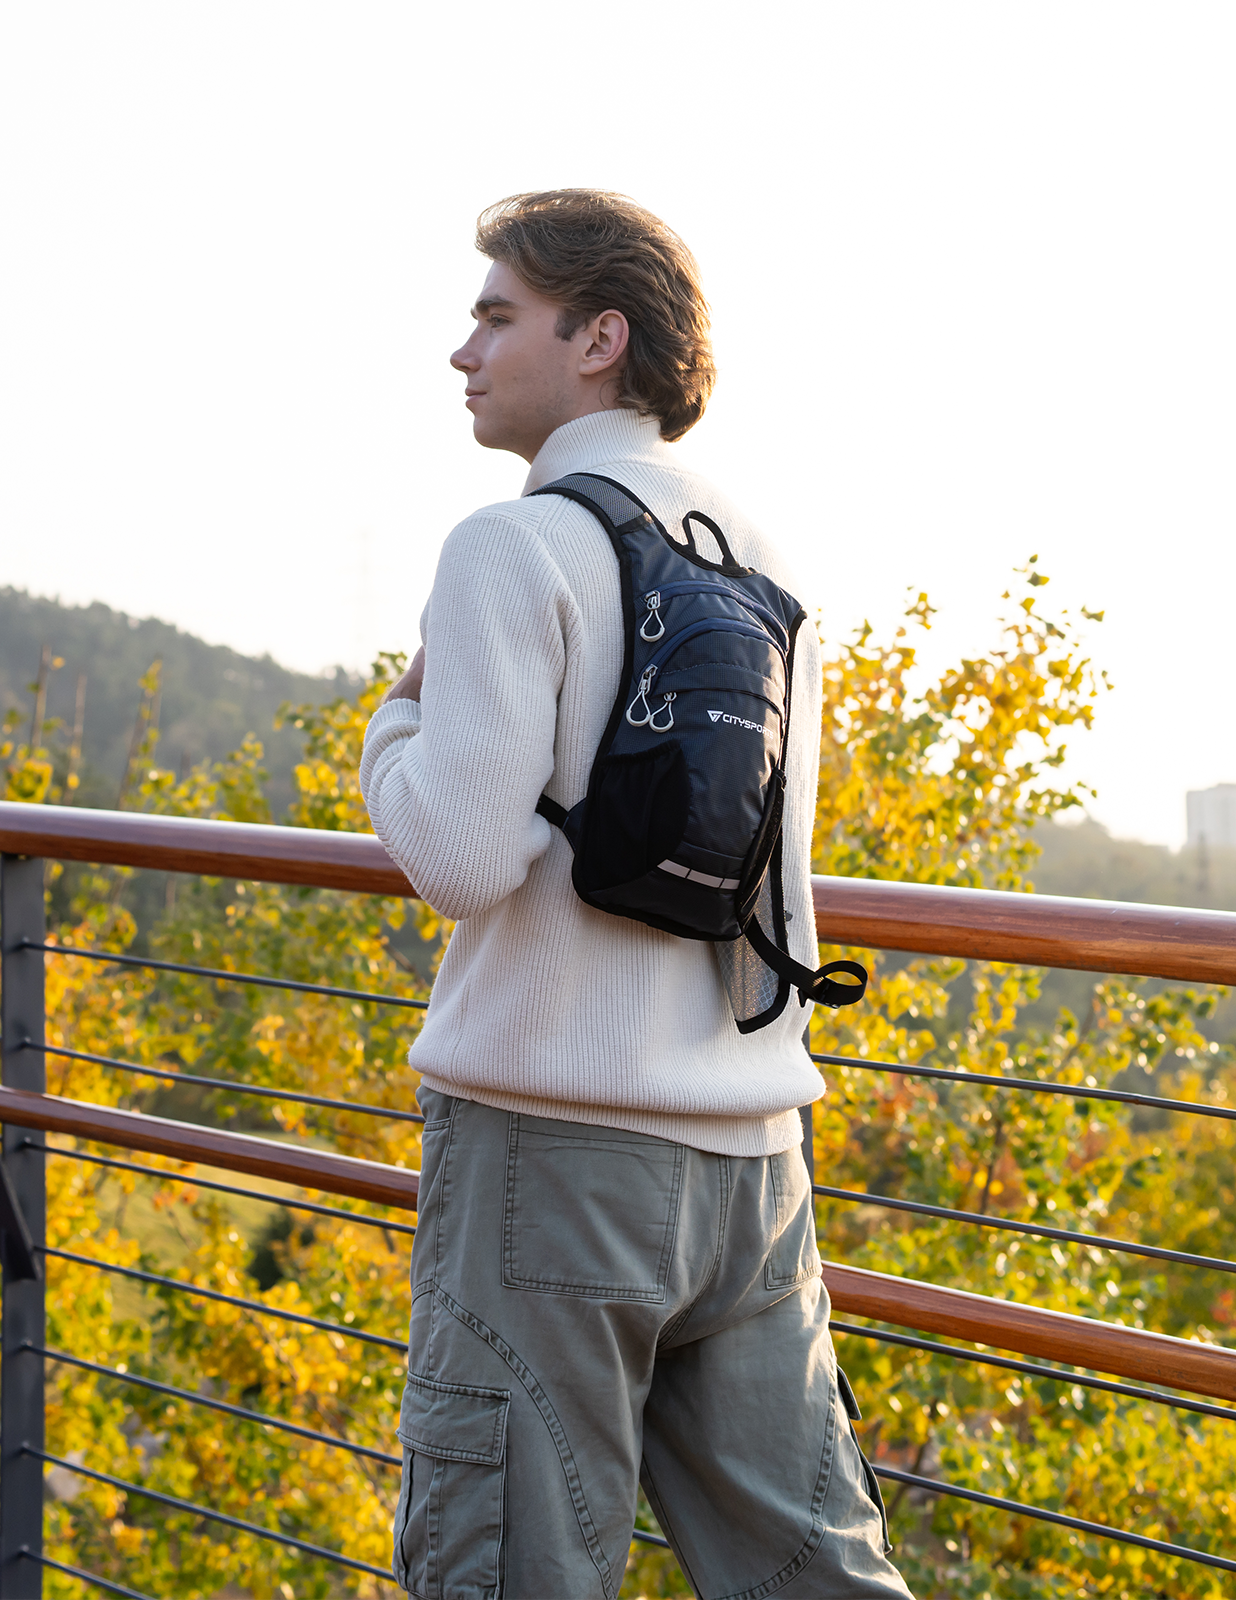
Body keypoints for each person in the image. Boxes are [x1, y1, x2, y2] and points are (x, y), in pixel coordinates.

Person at [361, 189, 913, 1599]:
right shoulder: (764, 559)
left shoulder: (513, 545)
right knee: (812, 1572)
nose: (463, 351)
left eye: (497, 315)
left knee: (510, 1568)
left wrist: (392, 727)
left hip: (550, 1160)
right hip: (751, 1169)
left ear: (599, 336)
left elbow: (459, 860)